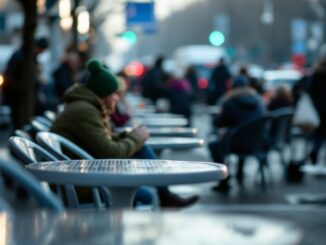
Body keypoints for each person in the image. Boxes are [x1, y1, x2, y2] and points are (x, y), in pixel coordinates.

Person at [50, 59, 199, 208]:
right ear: (103, 93)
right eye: (114, 94)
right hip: (82, 184)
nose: (117, 98)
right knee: (145, 195)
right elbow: (112, 153)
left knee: (140, 149)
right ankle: (161, 199)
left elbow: (104, 139)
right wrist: (136, 137)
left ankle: (165, 195)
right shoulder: (85, 111)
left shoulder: (86, 107)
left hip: (82, 175)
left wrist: (129, 136)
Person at [208, 76, 266, 191]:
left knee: (214, 145)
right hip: (258, 142)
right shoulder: (258, 100)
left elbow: (219, 123)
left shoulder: (229, 101)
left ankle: (223, 180)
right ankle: (239, 172)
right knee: (241, 135)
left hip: (235, 143)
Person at [2, 37, 49, 130]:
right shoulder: (23, 57)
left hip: (21, 95)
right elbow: (11, 77)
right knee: (19, 121)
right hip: (19, 96)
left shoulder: (27, 56)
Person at [308, 59, 326, 165]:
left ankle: (315, 150)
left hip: (318, 108)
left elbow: (310, 89)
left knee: (318, 134)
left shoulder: (317, 74)